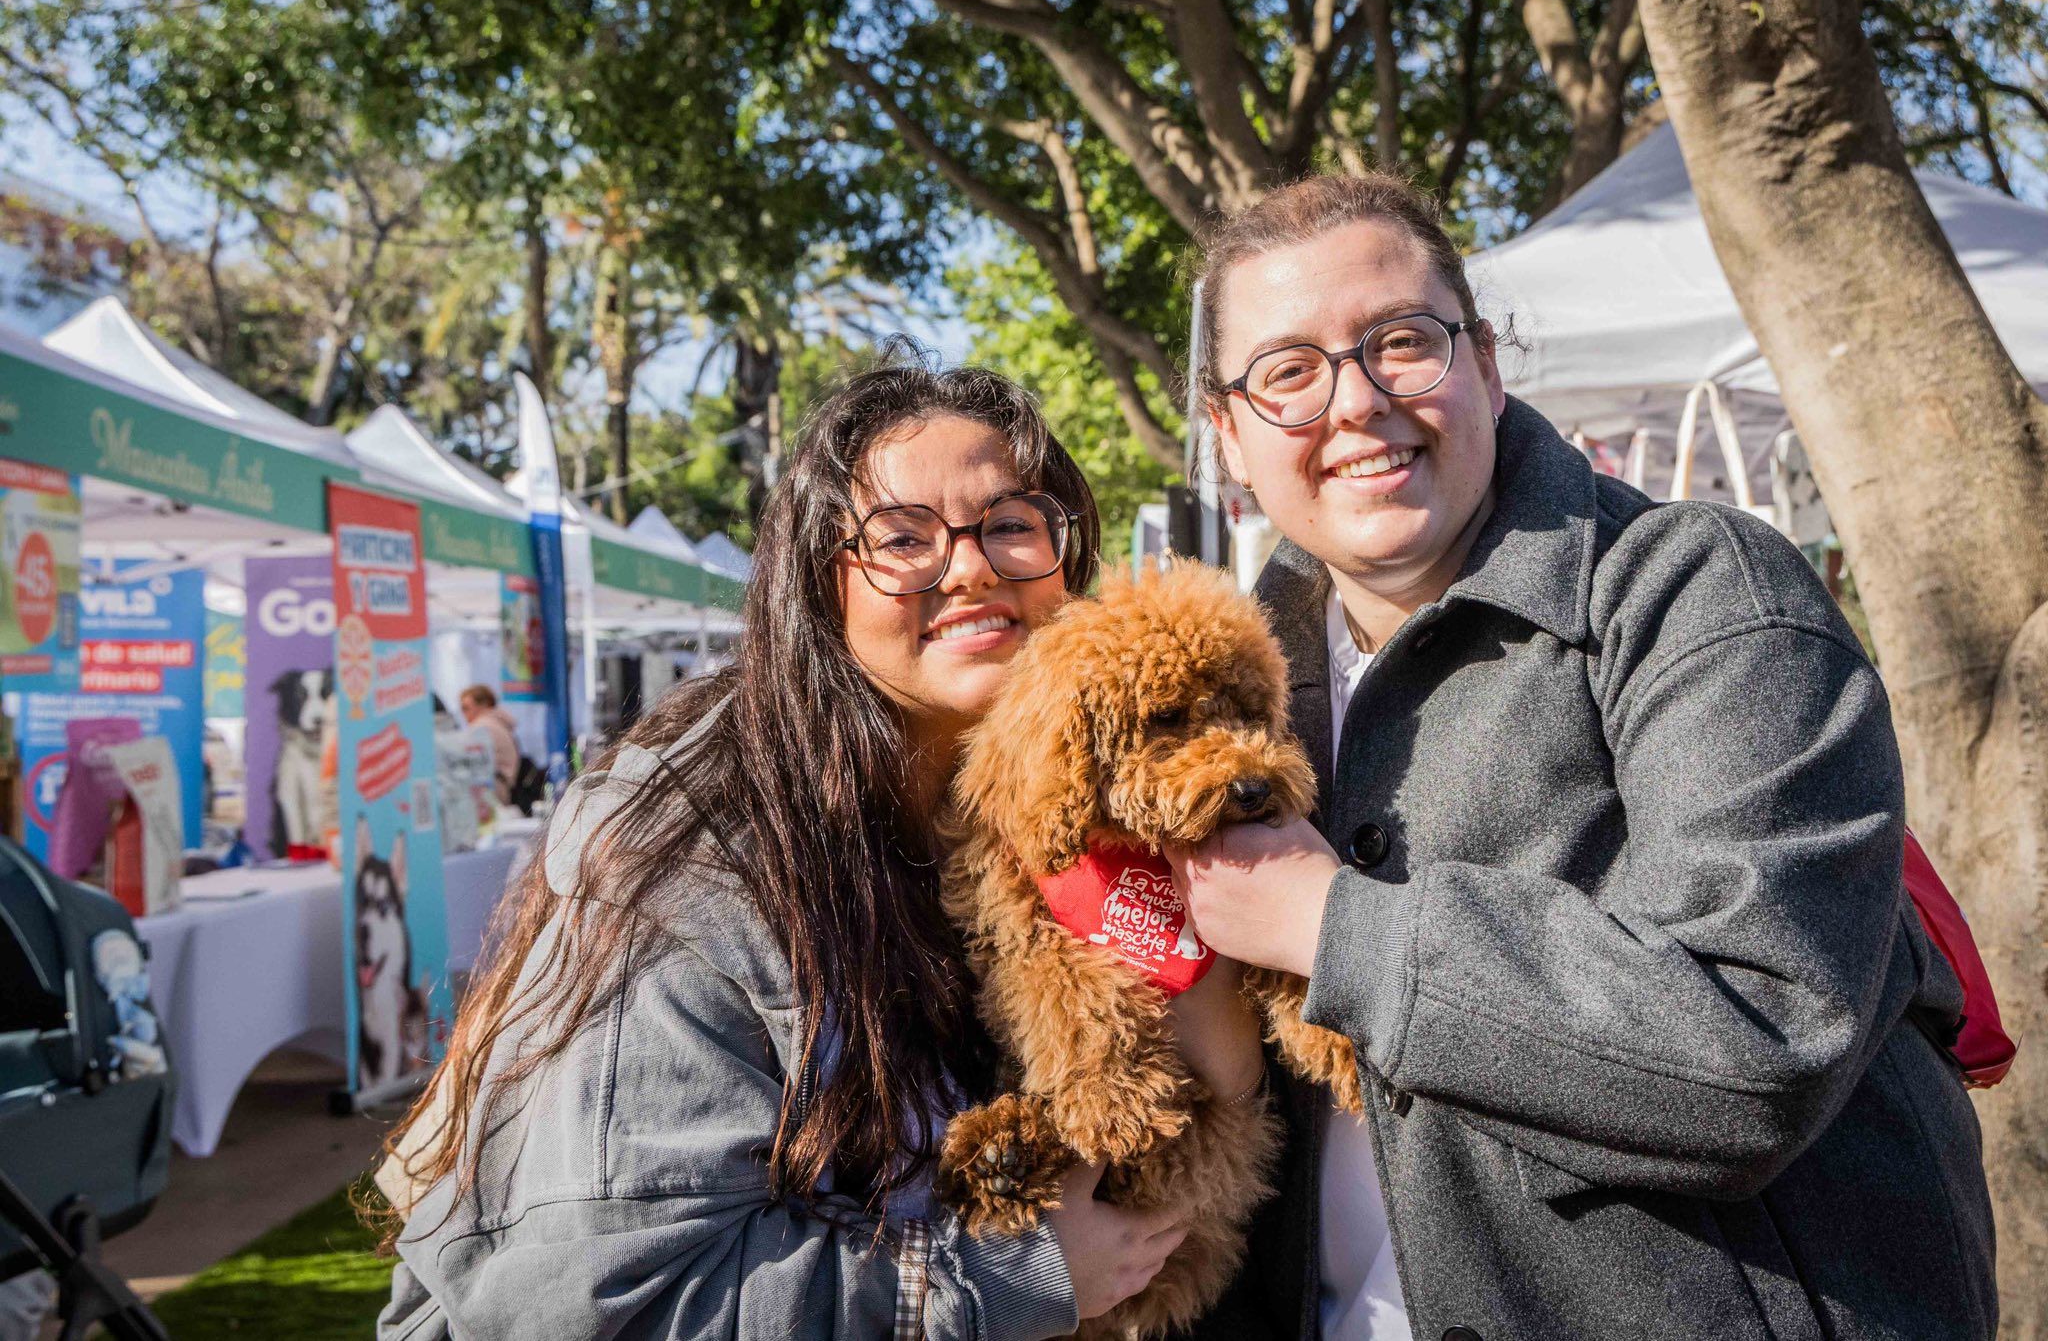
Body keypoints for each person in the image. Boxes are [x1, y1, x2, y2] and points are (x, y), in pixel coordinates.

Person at [1169, 175, 1997, 1340]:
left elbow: (1756, 1035)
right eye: (1288, 371)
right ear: (1228, 432)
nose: (1354, 403)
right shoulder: (1228, 699)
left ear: (1486, 365)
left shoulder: (1697, 593)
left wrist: (1326, 922)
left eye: (1401, 343)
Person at [372, 358, 1262, 1338]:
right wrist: (1008, 1278)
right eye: (902, 539)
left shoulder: (1057, 811)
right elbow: (601, 1307)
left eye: (1011, 523)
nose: (968, 567)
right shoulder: (698, 866)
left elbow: (1204, 1081)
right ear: (817, 582)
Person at [458, 684, 520, 804]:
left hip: (488, 791)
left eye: (466, 708)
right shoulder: (498, 724)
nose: (463, 714)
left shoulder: (481, 727)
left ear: (483, 705)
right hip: (502, 787)